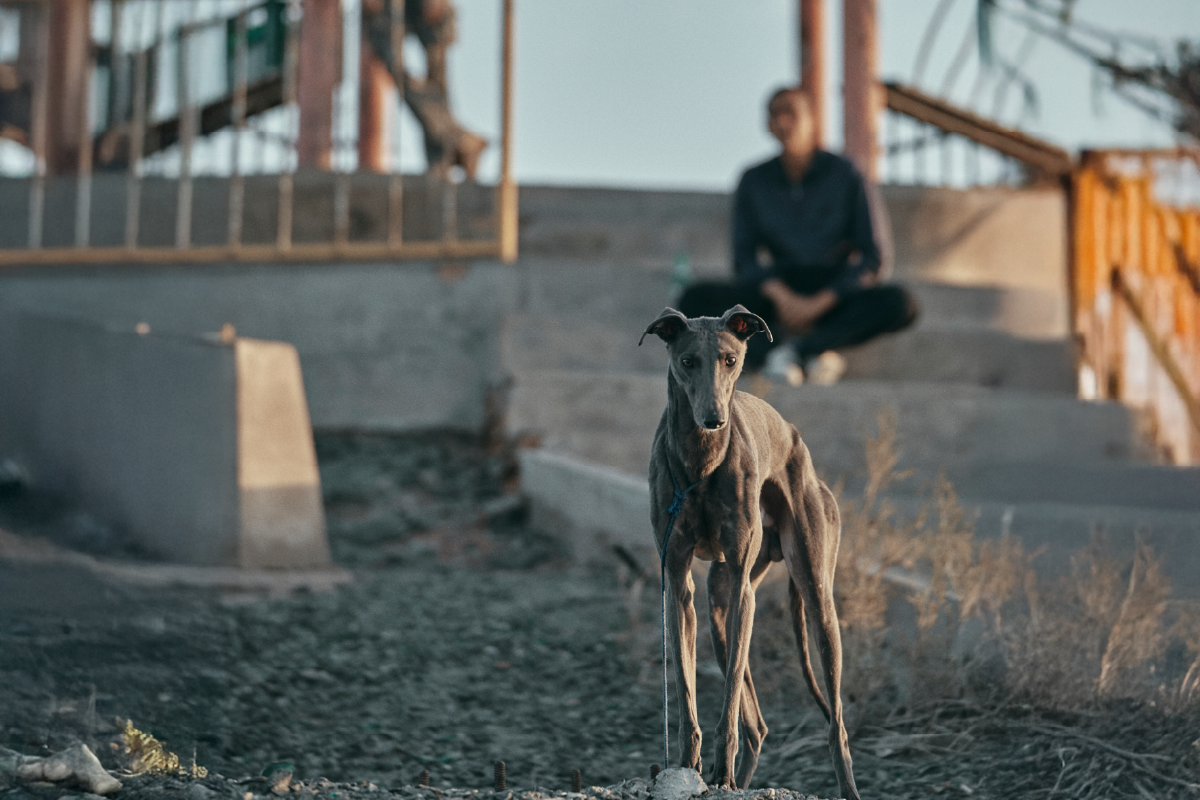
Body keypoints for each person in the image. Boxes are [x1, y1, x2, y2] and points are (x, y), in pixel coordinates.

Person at [678, 87, 918, 385]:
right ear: (767, 125)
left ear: (811, 119)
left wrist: (821, 301)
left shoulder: (845, 174)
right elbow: (744, 258)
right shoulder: (754, 180)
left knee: (901, 303)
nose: (782, 121)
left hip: (835, 289)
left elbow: (873, 257)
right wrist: (782, 297)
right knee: (693, 300)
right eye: (774, 114)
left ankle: (801, 349)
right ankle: (780, 352)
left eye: (790, 112)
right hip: (779, 289)